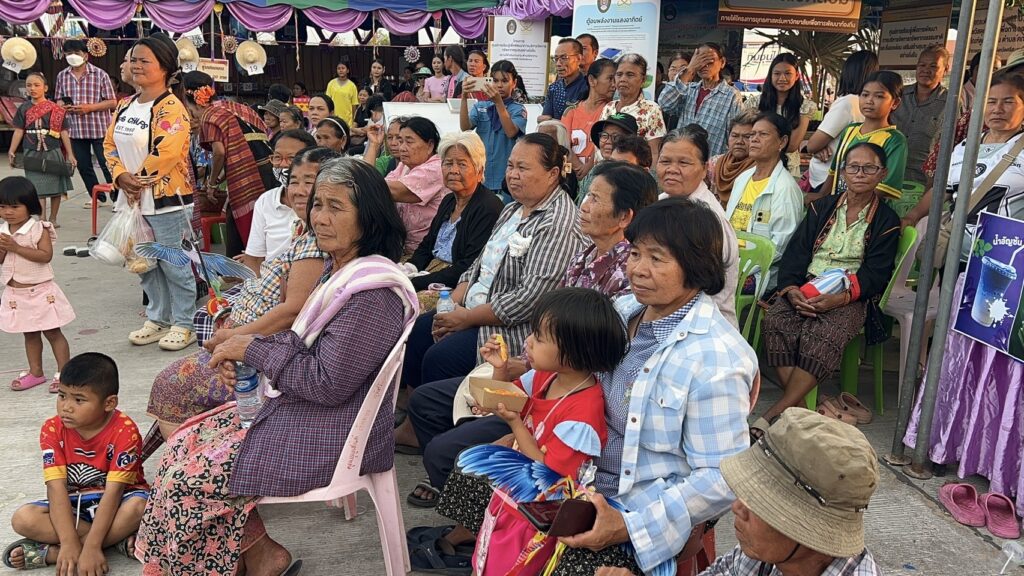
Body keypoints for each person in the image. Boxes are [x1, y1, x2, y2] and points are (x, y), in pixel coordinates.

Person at [136, 157, 418, 576]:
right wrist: (244, 352)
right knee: (183, 444)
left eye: (335, 207)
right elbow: (304, 345)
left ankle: (220, 563)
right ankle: (255, 556)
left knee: (186, 477)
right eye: (317, 204)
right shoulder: (340, 269)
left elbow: (326, 383)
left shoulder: (371, 296)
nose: (320, 217)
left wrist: (253, 349)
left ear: (370, 216)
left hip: (332, 432)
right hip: (312, 413)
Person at [547, 197, 756, 576]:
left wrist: (628, 526)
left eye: (657, 259)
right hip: (579, 477)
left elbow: (722, 475)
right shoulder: (623, 311)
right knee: (480, 479)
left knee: (567, 565)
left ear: (695, 268)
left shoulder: (716, 358)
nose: (637, 269)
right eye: (635, 254)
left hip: (640, 505)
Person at [143, 148, 338, 448]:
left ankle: (197, 462)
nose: (299, 191)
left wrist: (232, 338)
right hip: (249, 339)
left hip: (260, 355)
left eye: (309, 182)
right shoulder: (302, 230)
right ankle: (194, 455)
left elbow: (292, 311)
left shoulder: (315, 242)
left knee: (170, 385)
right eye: (294, 181)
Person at [400, 133, 585, 391]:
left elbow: (529, 299)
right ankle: (412, 408)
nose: (512, 175)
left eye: (523, 168)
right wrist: (451, 307)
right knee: (418, 331)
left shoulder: (557, 224)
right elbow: (478, 265)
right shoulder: (512, 209)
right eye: (510, 166)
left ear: (553, 174)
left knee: (440, 358)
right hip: (472, 306)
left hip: (507, 328)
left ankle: (437, 411)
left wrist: (468, 318)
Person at [468, 289, 627, 575]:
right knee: (488, 558)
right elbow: (507, 397)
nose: (528, 342)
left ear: (574, 352)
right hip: (514, 497)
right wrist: (500, 370)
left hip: (536, 515)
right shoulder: (547, 375)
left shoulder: (582, 415)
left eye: (539, 338)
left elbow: (549, 474)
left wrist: (516, 425)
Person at [759, 142, 900, 423]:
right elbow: (796, 254)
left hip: (851, 297)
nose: (860, 174)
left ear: (882, 174)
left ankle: (776, 412)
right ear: (843, 172)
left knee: (823, 333)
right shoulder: (820, 209)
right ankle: (805, 408)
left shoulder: (887, 221)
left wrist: (838, 299)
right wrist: (793, 291)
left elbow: (876, 274)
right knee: (776, 321)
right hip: (807, 287)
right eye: (853, 167)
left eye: (869, 168)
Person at [3, 353, 148, 573]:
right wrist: (68, 541)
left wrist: (92, 546)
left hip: (120, 499)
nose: (66, 407)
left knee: (140, 507)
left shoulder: (125, 430)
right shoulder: (53, 428)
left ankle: (54, 553)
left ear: (109, 403)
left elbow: (114, 491)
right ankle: (114, 541)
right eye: (62, 396)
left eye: (79, 400)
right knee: (23, 519)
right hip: (74, 504)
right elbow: (56, 487)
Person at [698, 408, 882, 576]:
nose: (737, 507)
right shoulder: (761, 555)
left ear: (811, 529)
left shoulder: (768, 549)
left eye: (762, 501)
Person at [105, 34, 196, 351]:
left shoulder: (172, 109)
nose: (136, 65)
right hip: (131, 199)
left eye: (144, 60)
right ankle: (158, 318)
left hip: (167, 201)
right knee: (142, 263)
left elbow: (166, 152)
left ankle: (185, 323)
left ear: (165, 68)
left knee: (173, 264)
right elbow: (109, 145)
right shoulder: (125, 105)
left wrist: (136, 182)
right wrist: (120, 176)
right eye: (133, 59)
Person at [185, 72, 277, 258]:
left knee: (239, 222)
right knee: (265, 221)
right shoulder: (238, 107)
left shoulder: (209, 115)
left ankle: (239, 266)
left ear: (188, 98)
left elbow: (219, 152)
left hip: (249, 176)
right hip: (270, 169)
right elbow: (243, 147)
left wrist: (212, 184)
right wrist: (220, 177)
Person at [657, 127, 739, 327]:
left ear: (704, 169)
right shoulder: (662, 201)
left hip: (705, 322)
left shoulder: (708, 219)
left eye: (684, 163)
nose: (672, 169)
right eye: (665, 161)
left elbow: (695, 289)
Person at [405, 131, 504, 295]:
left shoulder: (488, 207)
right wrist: (410, 268)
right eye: (448, 163)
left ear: (479, 172)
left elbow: (469, 266)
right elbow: (427, 245)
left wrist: (416, 282)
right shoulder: (449, 200)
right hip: (431, 273)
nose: (453, 170)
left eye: (462, 164)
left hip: (458, 284)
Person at [0, 176, 73, 392]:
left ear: (29, 205)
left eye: (14, 207)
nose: (8, 212)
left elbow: (45, 256)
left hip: (40, 291)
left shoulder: (39, 229)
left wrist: (15, 247)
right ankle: (36, 372)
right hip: (16, 292)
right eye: (2, 207)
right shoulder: (3, 231)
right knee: (29, 333)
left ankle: (64, 374)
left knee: (52, 332)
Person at [944, 70, 1024, 262]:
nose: (997, 109)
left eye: (1008, 102)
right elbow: (943, 191)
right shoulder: (964, 147)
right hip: (955, 255)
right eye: (991, 101)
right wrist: (913, 216)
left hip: (1005, 259)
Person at [725, 112, 804, 289]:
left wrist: (738, 268)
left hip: (759, 273)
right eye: (752, 134)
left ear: (782, 142)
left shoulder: (786, 188)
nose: (754, 139)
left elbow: (779, 247)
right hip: (730, 262)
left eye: (763, 134)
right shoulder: (743, 179)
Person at [816, 71, 908, 202]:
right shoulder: (850, 130)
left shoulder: (895, 140)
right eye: (865, 95)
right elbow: (834, 170)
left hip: (868, 209)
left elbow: (885, 187)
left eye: (879, 96)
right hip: (838, 204)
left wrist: (849, 202)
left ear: (895, 103)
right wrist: (822, 197)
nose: (869, 101)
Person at [241, 130, 317, 273]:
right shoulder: (266, 200)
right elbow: (254, 258)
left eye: (291, 158)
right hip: (269, 281)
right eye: (277, 157)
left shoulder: (320, 201)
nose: (282, 164)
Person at [8, 72, 76, 227]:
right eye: (29, 85)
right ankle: (42, 218)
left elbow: (64, 132)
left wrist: (70, 155)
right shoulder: (23, 108)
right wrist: (12, 150)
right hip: (31, 151)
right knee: (37, 186)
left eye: (36, 85)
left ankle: (53, 218)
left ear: (45, 88)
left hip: (53, 150)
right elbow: (18, 131)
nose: (32, 88)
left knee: (56, 186)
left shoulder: (56, 109)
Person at [805, 50, 878, 195]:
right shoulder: (866, 104)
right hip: (847, 179)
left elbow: (812, 145)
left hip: (826, 179)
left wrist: (816, 147)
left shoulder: (848, 102)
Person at [54, 39, 116, 207]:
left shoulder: (100, 74)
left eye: (76, 53)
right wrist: (63, 106)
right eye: (68, 54)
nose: (72, 56)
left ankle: (118, 198)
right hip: (76, 130)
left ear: (86, 56)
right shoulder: (62, 76)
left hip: (99, 129)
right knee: (83, 166)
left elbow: (112, 102)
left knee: (107, 164)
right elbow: (58, 99)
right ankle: (97, 197)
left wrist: (89, 108)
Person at [374, 117, 447, 256]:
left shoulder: (436, 168)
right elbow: (379, 185)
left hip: (426, 254)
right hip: (403, 248)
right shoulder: (405, 166)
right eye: (401, 141)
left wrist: (358, 181)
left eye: (409, 142)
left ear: (430, 145)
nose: (401, 147)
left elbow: (390, 190)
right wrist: (373, 145)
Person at [658, 42, 744, 156]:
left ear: (722, 62)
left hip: (712, 161)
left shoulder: (731, 95)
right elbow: (664, 103)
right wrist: (690, 69)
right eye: (700, 61)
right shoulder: (688, 89)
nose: (704, 66)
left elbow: (735, 134)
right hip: (683, 158)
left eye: (710, 61)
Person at [461, 60, 528, 193]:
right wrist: (464, 97)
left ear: (514, 83)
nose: (499, 85)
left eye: (505, 81)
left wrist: (499, 103)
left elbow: (511, 132)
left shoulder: (518, 109)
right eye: (495, 81)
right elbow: (465, 128)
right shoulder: (480, 106)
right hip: (483, 175)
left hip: (506, 176)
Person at [890, 45, 952, 185]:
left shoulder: (950, 103)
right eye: (922, 65)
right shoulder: (899, 95)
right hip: (889, 175)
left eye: (933, 66)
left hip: (922, 181)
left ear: (945, 69)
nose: (926, 70)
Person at [748, 53, 817, 178]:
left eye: (788, 73)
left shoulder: (805, 106)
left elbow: (792, 145)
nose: (782, 78)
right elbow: (749, 136)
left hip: (788, 168)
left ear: (796, 76)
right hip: (755, 165)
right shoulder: (754, 103)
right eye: (777, 73)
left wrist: (763, 141)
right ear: (770, 75)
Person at [601, 54, 666, 164]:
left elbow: (654, 153)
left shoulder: (651, 109)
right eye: (619, 74)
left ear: (643, 80)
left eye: (630, 75)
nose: (623, 79)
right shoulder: (608, 107)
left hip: (632, 171)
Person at [564, 58, 617, 180]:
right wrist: (579, 168)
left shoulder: (612, 111)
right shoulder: (571, 110)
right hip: (571, 177)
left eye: (615, 80)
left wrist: (587, 168)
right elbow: (564, 145)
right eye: (610, 79)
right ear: (592, 80)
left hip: (600, 177)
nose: (614, 85)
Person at [575, 113, 641, 205]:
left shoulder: (638, 177)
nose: (608, 141)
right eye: (604, 136)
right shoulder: (594, 172)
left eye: (616, 137)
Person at [707, 110, 757, 206]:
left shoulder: (759, 171)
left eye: (747, 137)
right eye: (734, 136)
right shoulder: (714, 163)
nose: (739, 141)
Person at [540, 38, 589, 122]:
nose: (558, 64)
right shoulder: (553, 88)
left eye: (564, 57)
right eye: (556, 59)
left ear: (578, 59)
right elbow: (545, 118)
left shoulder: (588, 87)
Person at [325, 62, 359, 126]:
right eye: (339, 68)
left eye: (343, 68)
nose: (341, 70)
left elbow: (354, 105)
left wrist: (353, 120)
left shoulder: (352, 86)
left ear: (347, 70)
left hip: (347, 120)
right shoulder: (331, 83)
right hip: (334, 118)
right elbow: (327, 101)